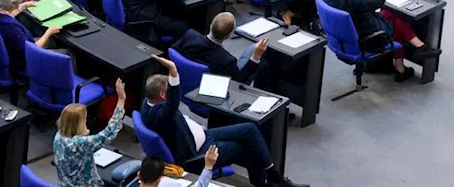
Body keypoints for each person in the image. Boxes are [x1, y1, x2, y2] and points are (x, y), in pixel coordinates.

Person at [140, 56, 306, 186]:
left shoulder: (147, 104)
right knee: (247, 147)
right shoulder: (161, 113)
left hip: (200, 136)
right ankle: (267, 183)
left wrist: (196, 127)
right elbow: (172, 106)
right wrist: (173, 72)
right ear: (162, 95)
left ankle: (273, 176)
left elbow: (174, 117)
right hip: (196, 154)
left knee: (249, 128)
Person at [324, 0, 440, 79]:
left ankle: (405, 61)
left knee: (390, 13)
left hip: (346, 38)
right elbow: (377, 2)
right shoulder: (353, 3)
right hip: (367, 40)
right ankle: (414, 52)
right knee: (398, 18)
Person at [0, 0, 62, 81]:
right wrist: (49, 32)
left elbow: (6, 14)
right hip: (20, 64)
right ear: (13, 3)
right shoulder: (12, 29)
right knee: (68, 53)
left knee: (53, 43)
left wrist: (22, 6)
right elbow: (32, 50)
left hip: (4, 51)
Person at [53, 79, 126, 187]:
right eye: (84, 119)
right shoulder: (80, 143)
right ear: (78, 123)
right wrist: (121, 99)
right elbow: (109, 133)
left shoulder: (58, 136)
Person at [171, 12, 274, 85]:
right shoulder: (227, 60)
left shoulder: (190, 35)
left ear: (211, 25)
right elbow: (239, 81)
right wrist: (256, 56)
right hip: (210, 88)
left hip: (182, 82)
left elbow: (173, 52)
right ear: (228, 36)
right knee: (253, 49)